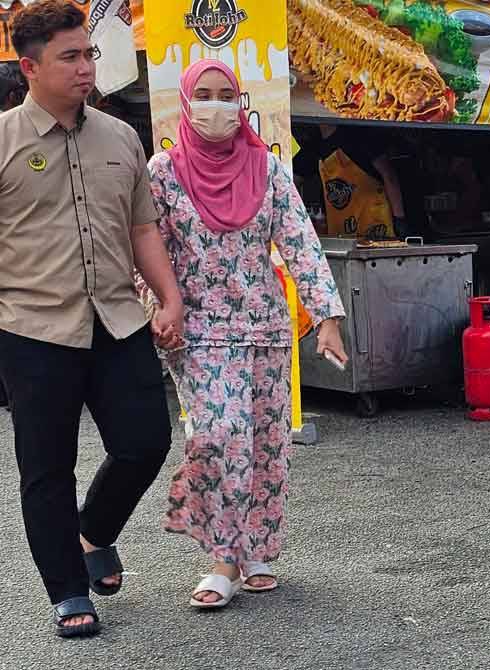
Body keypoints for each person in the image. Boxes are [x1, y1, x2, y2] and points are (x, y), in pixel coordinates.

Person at [0, 0, 184, 637]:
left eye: (89, 54)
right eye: (70, 57)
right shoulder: (2, 142)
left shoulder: (122, 137)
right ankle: (68, 591)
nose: (86, 67)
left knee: (145, 443)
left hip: (118, 320)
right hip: (31, 330)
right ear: (30, 67)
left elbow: (142, 228)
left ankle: (94, 532)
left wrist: (169, 296)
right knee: (46, 468)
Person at [145, 59, 347, 609]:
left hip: (264, 326)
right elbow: (147, 250)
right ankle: (222, 559)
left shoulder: (268, 169)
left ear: (241, 102)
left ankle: (257, 547)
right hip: (201, 329)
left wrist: (325, 319)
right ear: (186, 104)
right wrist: (159, 310)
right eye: (204, 95)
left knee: (266, 442)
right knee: (218, 434)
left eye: (226, 94)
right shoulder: (162, 172)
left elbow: (300, 243)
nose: (217, 106)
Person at [293, 123, 407, 240]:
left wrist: (399, 220)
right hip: (341, 233)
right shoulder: (314, 146)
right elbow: (290, 181)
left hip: (376, 225)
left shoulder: (360, 135)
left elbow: (389, 176)